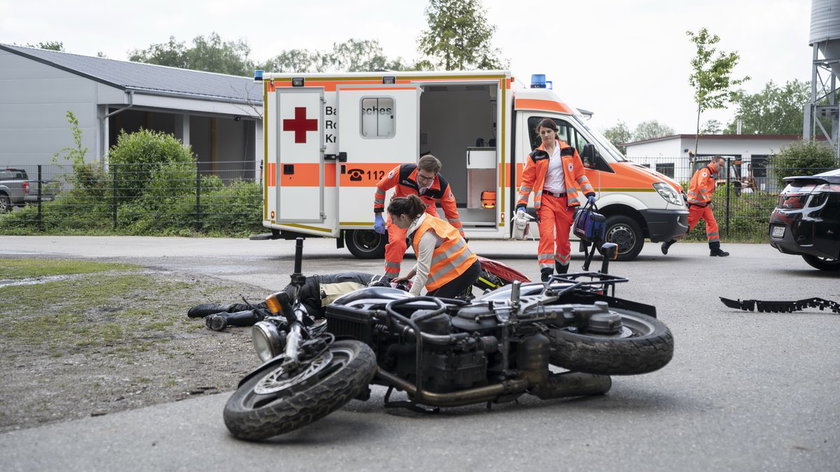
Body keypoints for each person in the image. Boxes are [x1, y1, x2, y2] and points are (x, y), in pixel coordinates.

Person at [516, 118, 596, 282]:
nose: (546, 135)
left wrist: (589, 193)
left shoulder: (569, 152)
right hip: (545, 200)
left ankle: (562, 268)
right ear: (540, 135)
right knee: (546, 236)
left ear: (555, 132)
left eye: (549, 132)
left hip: (566, 203)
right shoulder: (535, 155)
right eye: (542, 132)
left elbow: (580, 175)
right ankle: (546, 273)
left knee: (563, 241)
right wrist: (521, 204)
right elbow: (527, 182)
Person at [373, 154, 463, 279]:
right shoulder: (403, 172)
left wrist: (461, 238)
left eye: (429, 179)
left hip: (425, 211)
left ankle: (435, 279)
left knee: (436, 242)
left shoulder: (442, 187)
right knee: (397, 243)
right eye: (422, 177)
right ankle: (390, 280)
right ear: (418, 169)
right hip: (401, 211)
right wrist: (378, 215)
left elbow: (452, 215)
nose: (424, 181)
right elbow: (381, 187)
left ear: (435, 176)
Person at [187, 272, 378, 330]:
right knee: (272, 310)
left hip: (317, 304)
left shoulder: (380, 287)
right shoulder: (379, 284)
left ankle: (224, 317)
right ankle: (222, 312)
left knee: (277, 315)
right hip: (311, 288)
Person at [389, 195, 480, 298]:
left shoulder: (426, 234)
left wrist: (410, 298)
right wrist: (408, 276)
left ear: (403, 217)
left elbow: (423, 273)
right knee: (431, 304)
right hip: (460, 270)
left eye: (393, 218)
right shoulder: (424, 223)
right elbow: (425, 259)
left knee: (434, 307)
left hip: (465, 271)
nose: (392, 223)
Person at [661, 156, 730, 257]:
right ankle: (667, 243)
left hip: (704, 206)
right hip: (696, 206)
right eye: (720, 165)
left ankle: (715, 249)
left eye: (722, 166)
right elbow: (701, 186)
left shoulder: (710, 174)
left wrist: (707, 202)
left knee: (712, 224)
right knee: (686, 228)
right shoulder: (705, 171)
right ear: (714, 162)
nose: (721, 168)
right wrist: (708, 200)